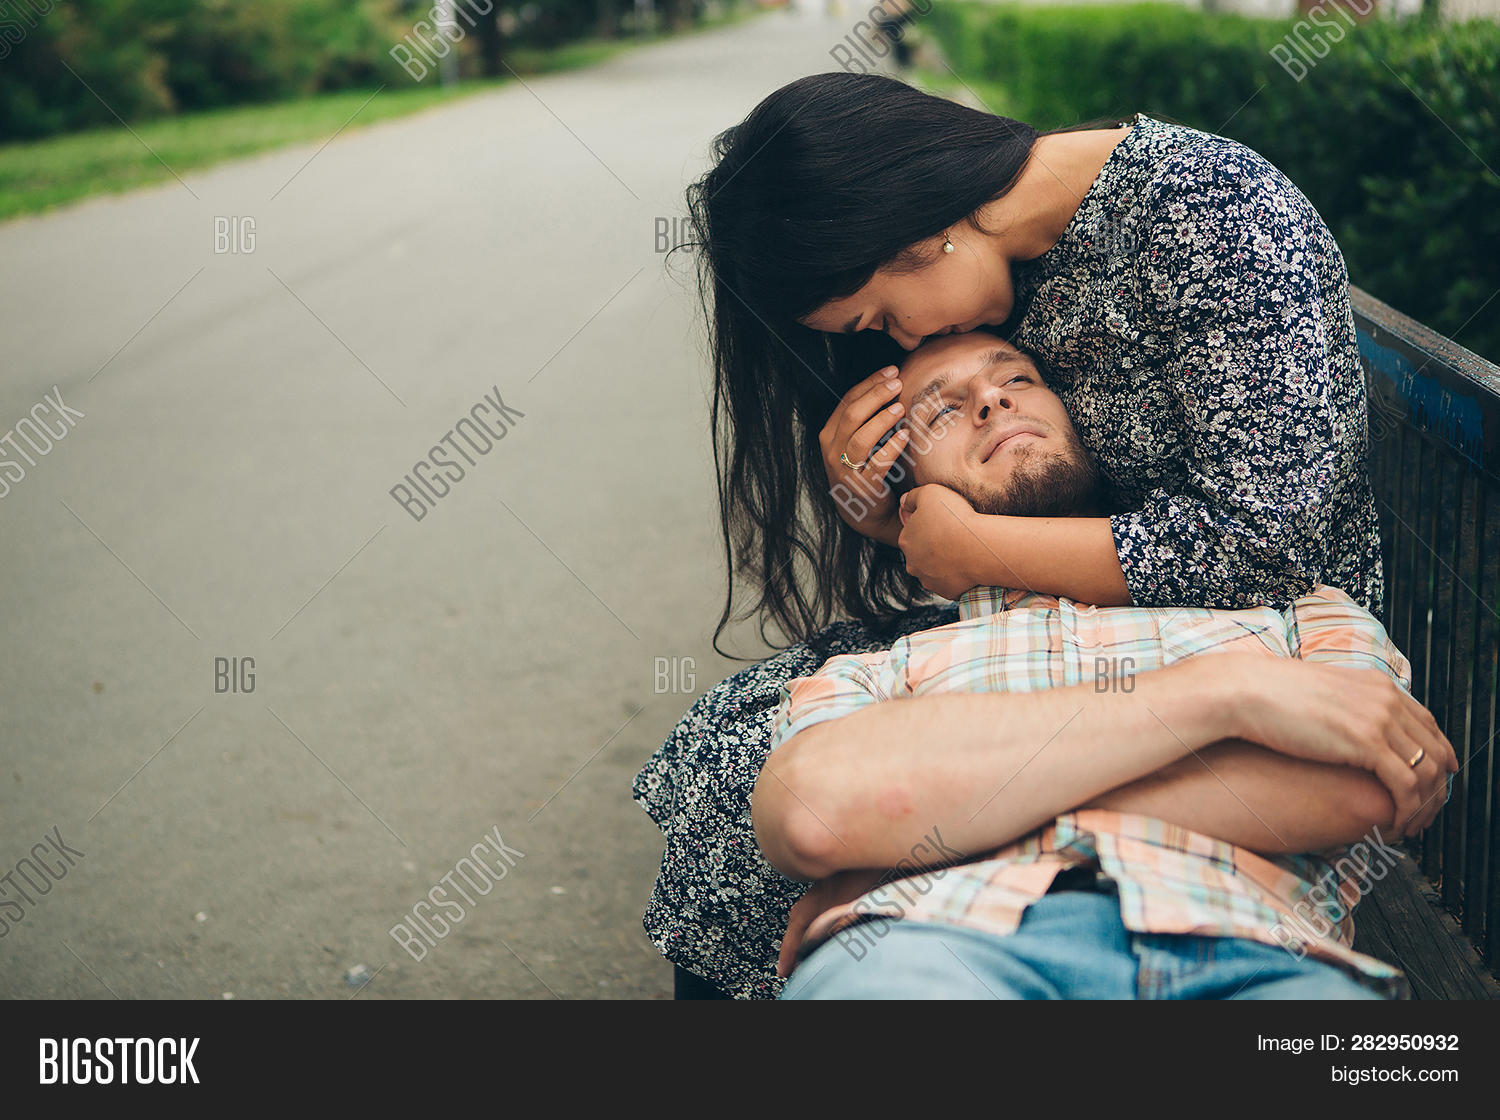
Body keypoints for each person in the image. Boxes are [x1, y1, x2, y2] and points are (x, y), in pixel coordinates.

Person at [746, 332, 1454, 999]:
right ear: (910, 491)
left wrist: (930, 827)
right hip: (938, 945)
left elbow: (1371, 785)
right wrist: (1226, 694)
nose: (992, 403)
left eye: (1015, 378)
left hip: (1255, 958)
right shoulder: (873, 670)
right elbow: (815, 812)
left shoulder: (1299, 612)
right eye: (942, 411)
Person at [683, 72, 1383, 653]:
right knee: (728, 736)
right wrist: (894, 518)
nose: (900, 343)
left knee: (787, 768)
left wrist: (983, 550)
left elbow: (1267, 547)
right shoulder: (1020, 268)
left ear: (907, 223)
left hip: (1267, 642)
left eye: (880, 318)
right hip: (1101, 631)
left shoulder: (1210, 209)